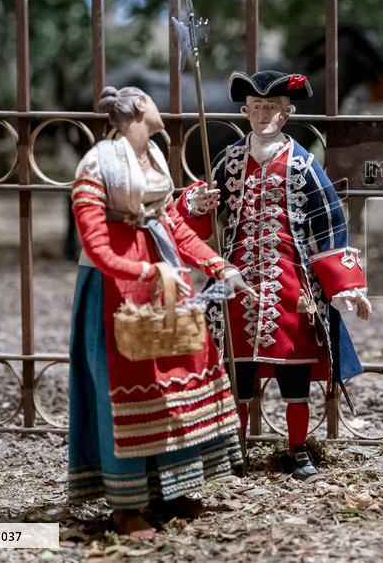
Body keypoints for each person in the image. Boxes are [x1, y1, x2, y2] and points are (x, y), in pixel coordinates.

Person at [68, 86, 254, 539]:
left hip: (164, 274)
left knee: (177, 376)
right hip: (117, 285)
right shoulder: (97, 163)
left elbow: (168, 223)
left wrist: (219, 266)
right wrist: (140, 272)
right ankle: (126, 504)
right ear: (135, 109)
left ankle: (175, 487)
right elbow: (93, 240)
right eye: (151, 100)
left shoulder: (152, 152)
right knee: (127, 386)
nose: (159, 106)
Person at [181, 70, 371, 481]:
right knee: (239, 373)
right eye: (256, 107)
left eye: (272, 108)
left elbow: (330, 225)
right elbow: (200, 222)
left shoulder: (304, 164)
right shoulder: (229, 160)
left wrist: (347, 285)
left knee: (294, 370)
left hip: (291, 286)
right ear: (245, 111)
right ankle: (235, 453)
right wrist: (196, 203)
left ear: (286, 114)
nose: (263, 114)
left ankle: (298, 450)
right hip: (236, 282)